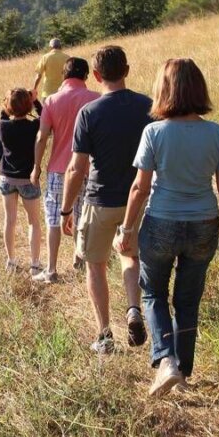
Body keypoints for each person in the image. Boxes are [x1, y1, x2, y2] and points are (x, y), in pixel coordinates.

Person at [116, 58, 219, 397]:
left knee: (153, 293)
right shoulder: (216, 133)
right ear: (199, 88)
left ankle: (166, 361)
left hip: (161, 222)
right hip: (204, 223)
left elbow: (140, 188)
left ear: (164, 90)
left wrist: (127, 229)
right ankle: (182, 371)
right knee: (188, 300)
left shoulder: (154, 132)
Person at [61, 46, 152, 354]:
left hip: (99, 199)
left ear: (97, 76)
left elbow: (77, 168)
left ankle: (104, 334)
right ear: (127, 70)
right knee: (131, 255)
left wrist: (66, 210)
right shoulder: (147, 107)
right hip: (137, 198)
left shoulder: (89, 113)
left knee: (95, 264)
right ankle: (134, 308)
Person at [30, 57, 99, 284]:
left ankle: (51, 269)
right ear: (86, 76)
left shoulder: (52, 100)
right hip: (87, 170)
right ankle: (79, 262)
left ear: (63, 75)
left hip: (58, 169)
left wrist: (36, 167)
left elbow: (42, 137)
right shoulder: (96, 99)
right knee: (81, 218)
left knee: (53, 219)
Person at [0, 89, 43, 273]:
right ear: (28, 106)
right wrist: (35, 101)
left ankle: (11, 261)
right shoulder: (34, 127)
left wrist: (8, 102)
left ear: (8, 106)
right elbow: (44, 116)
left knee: (10, 220)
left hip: (7, 178)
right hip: (28, 179)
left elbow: (3, 114)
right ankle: (35, 264)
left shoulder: (2, 126)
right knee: (34, 222)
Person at [32, 38, 70, 103]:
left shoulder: (45, 57)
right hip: (63, 91)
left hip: (48, 92)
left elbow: (38, 76)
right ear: (60, 46)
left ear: (50, 47)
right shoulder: (67, 57)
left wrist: (34, 89)